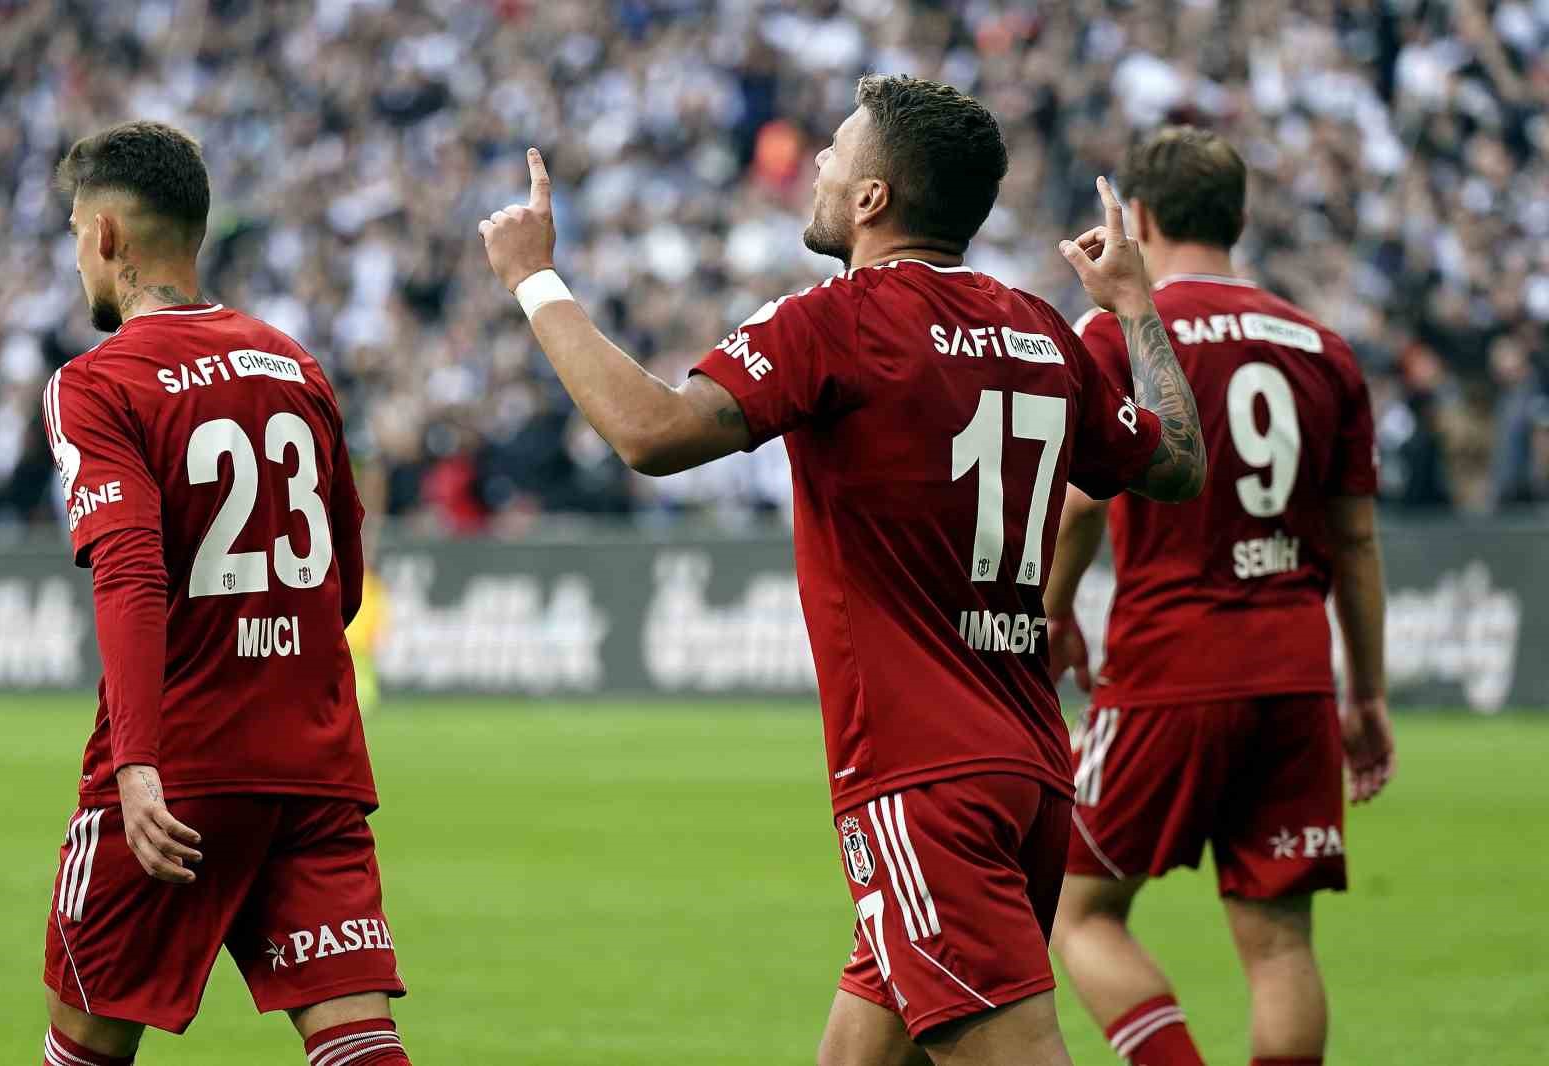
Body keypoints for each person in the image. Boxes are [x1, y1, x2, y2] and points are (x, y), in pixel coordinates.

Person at [478, 75, 1206, 1066]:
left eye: (834, 149)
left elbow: (651, 432)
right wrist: (1133, 306)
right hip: (1029, 773)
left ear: (872, 198)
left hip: (922, 783)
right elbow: (1178, 461)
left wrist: (535, 280)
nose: (816, 163)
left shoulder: (835, 320)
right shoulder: (1040, 330)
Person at [38, 121, 411, 1066]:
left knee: (87, 1042)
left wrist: (136, 762)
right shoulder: (293, 364)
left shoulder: (97, 383)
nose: (77, 255)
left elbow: (131, 572)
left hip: (181, 769)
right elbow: (342, 580)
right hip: (313, 763)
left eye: (76, 232)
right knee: (358, 1041)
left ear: (107, 235)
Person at [1043, 127, 1396, 1066]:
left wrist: (1055, 612)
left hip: (1170, 664)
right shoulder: (1323, 348)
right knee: (1280, 945)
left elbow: (1082, 503)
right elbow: (1357, 543)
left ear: (1141, 217)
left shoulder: (1122, 331)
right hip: (1295, 672)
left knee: (1078, 911)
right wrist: (1366, 693)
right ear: (1238, 218)